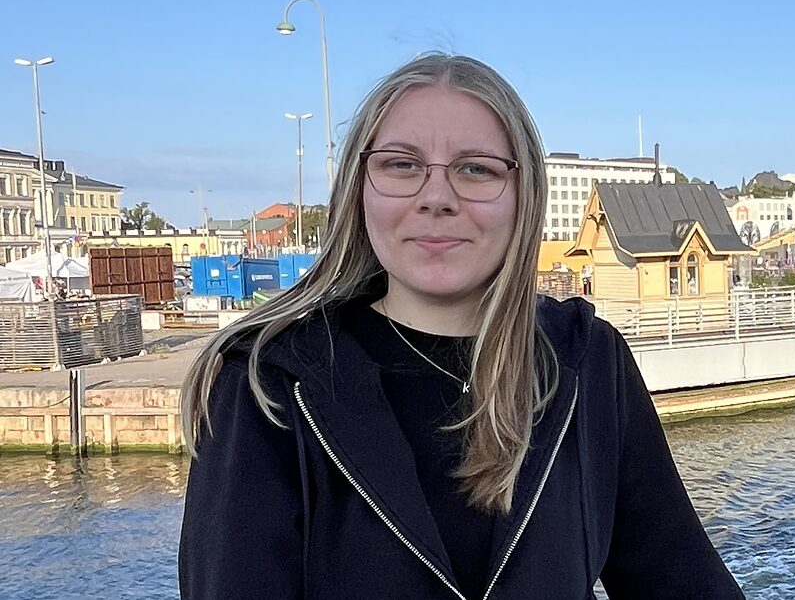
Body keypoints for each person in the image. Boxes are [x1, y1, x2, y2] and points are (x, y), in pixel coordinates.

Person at [177, 54, 743, 599]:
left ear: (524, 196)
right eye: (402, 164)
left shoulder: (586, 361)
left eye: (476, 169)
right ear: (359, 187)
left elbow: (680, 579)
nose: (437, 198)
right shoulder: (269, 385)